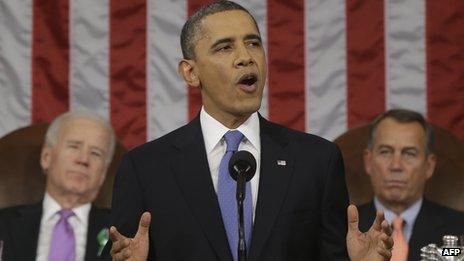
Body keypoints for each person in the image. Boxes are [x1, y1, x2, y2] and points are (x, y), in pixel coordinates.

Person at [107, 1, 392, 260]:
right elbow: (122, 252)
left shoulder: (316, 160)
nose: (246, 57)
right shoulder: (145, 168)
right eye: (225, 47)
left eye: (253, 43)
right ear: (191, 73)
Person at [0, 110, 116, 261]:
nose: (83, 159)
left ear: (103, 173)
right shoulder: (3, 225)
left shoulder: (121, 234)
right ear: (46, 157)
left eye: (96, 153)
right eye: (74, 146)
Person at [358, 109, 464, 261]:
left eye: (409, 153)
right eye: (385, 151)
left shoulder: (460, 229)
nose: (396, 165)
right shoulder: (341, 230)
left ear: (429, 166)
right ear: (368, 162)